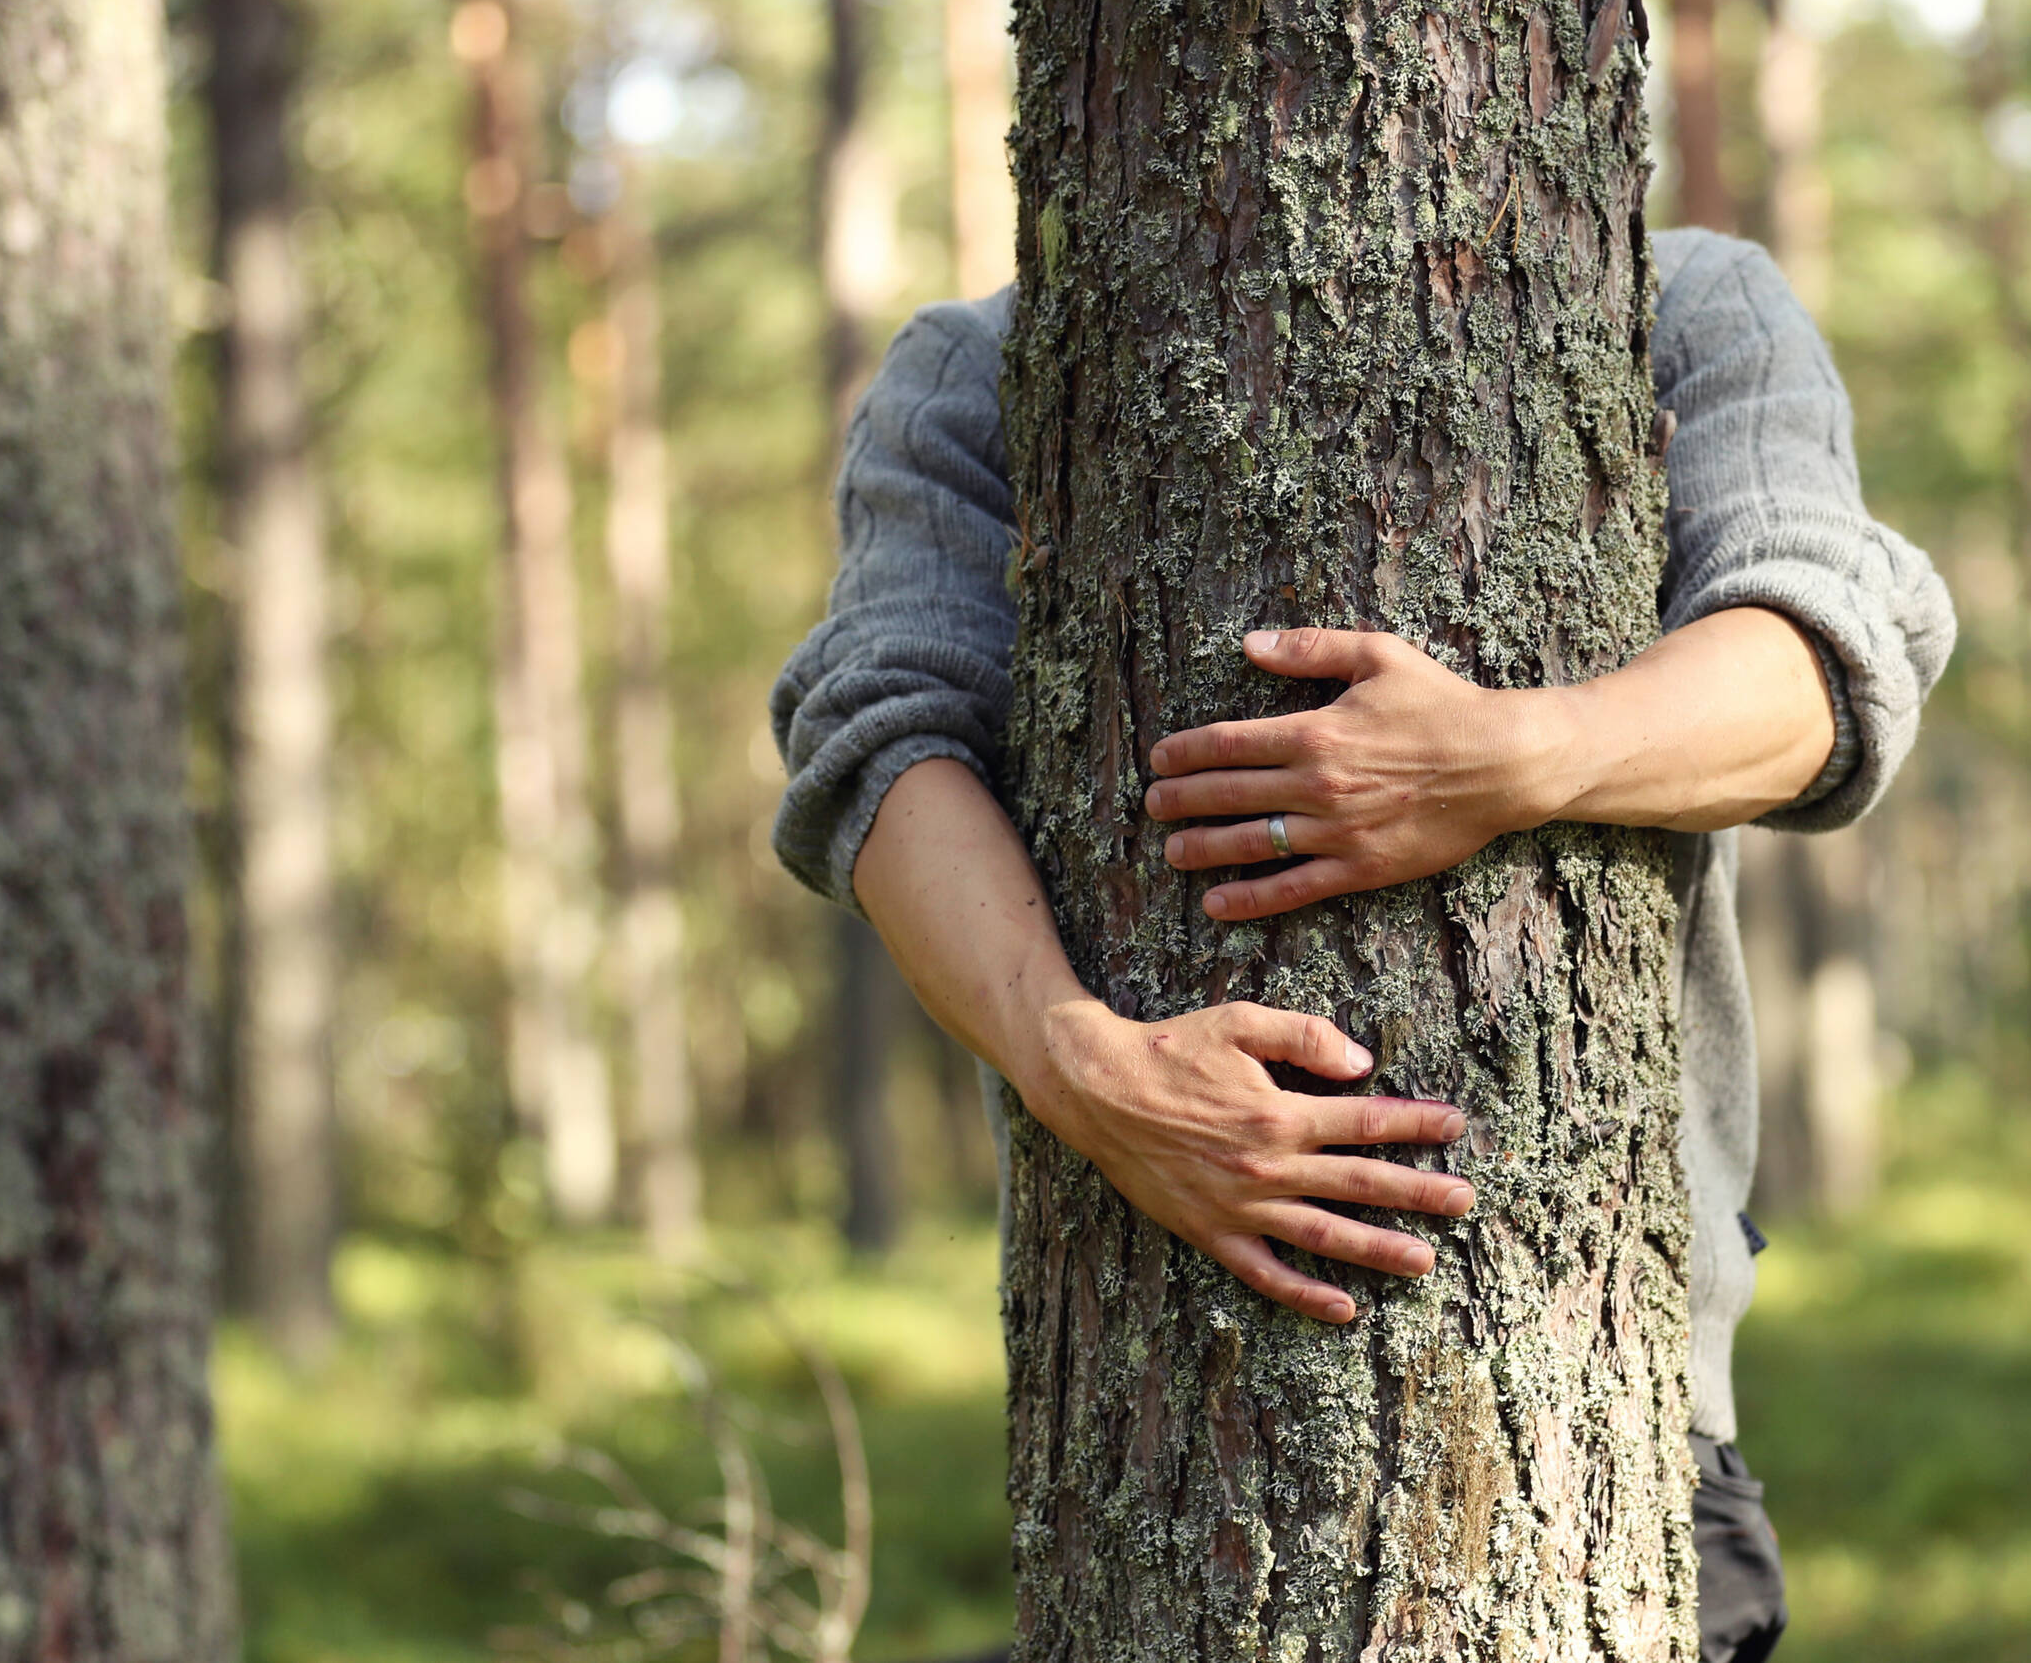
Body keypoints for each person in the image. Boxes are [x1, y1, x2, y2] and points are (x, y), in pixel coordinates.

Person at [771, 228, 1955, 1663]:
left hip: (1619, 1450)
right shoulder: (975, 376)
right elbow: (876, 745)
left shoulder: (1684, 299)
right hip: (1147, 1472)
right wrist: (1079, 1063)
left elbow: (1820, 661)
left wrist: (1513, 756)